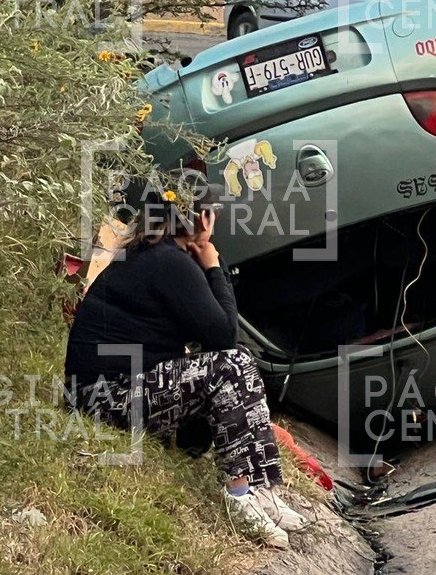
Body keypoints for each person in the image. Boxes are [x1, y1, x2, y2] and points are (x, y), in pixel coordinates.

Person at [64, 184, 306, 550]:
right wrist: (213, 264)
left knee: (236, 363)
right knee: (232, 364)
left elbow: (210, 338)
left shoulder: (157, 255)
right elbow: (222, 335)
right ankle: (240, 494)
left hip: (113, 390)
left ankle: (262, 488)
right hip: (102, 398)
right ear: (204, 218)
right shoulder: (168, 262)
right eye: (215, 215)